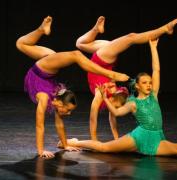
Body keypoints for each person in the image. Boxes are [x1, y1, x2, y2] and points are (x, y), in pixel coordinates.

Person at [60, 38, 177, 162]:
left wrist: (153, 48)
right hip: (139, 138)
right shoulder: (133, 102)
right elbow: (117, 112)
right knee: (105, 148)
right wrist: (105, 97)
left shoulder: (154, 95)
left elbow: (156, 70)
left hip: (156, 138)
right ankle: (72, 142)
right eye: (145, 83)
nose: (149, 85)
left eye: (150, 83)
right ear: (138, 86)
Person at [16, 16, 129, 158]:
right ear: (61, 102)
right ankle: (110, 72)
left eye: (69, 111)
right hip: (44, 69)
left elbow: (59, 125)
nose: (68, 114)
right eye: (68, 110)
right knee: (76, 55)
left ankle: (41, 29)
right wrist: (41, 151)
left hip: (43, 72)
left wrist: (66, 144)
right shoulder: (46, 99)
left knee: (21, 44)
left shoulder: (51, 100)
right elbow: (40, 126)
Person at [75, 16, 177, 140]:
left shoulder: (101, 94)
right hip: (103, 59)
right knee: (127, 38)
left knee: (82, 43)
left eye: (115, 106)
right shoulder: (110, 98)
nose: (113, 108)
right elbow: (112, 118)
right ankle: (164, 29)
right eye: (116, 107)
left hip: (101, 60)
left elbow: (93, 119)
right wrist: (114, 139)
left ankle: (96, 29)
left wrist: (95, 140)